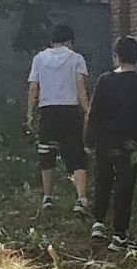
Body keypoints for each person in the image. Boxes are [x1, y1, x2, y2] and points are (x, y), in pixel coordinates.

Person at [84, 36, 137, 250]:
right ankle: (119, 234)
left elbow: (93, 112)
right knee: (125, 187)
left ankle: (98, 222)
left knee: (102, 181)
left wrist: (89, 140)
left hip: (105, 142)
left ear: (116, 57)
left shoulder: (104, 81)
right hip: (129, 145)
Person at [28, 23, 92, 215]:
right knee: (76, 153)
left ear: (52, 41)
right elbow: (80, 88)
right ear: (70, 41)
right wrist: (87, 111)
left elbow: (33, 88)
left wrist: (30, 112)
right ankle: (81, 198)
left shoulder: (39, 59)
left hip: (48, 110)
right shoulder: (76, 59)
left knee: (47, 153)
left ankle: (47, 197)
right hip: (70, 111)